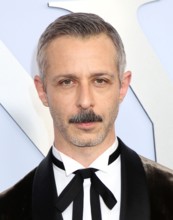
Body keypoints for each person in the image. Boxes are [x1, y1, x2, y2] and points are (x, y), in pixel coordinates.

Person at [0, 12, 173, 220]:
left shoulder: (169, 194)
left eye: (100, 81)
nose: (84, 101)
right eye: (67, 82)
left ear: (123, 86)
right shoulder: (7, 209)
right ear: (42, 91)